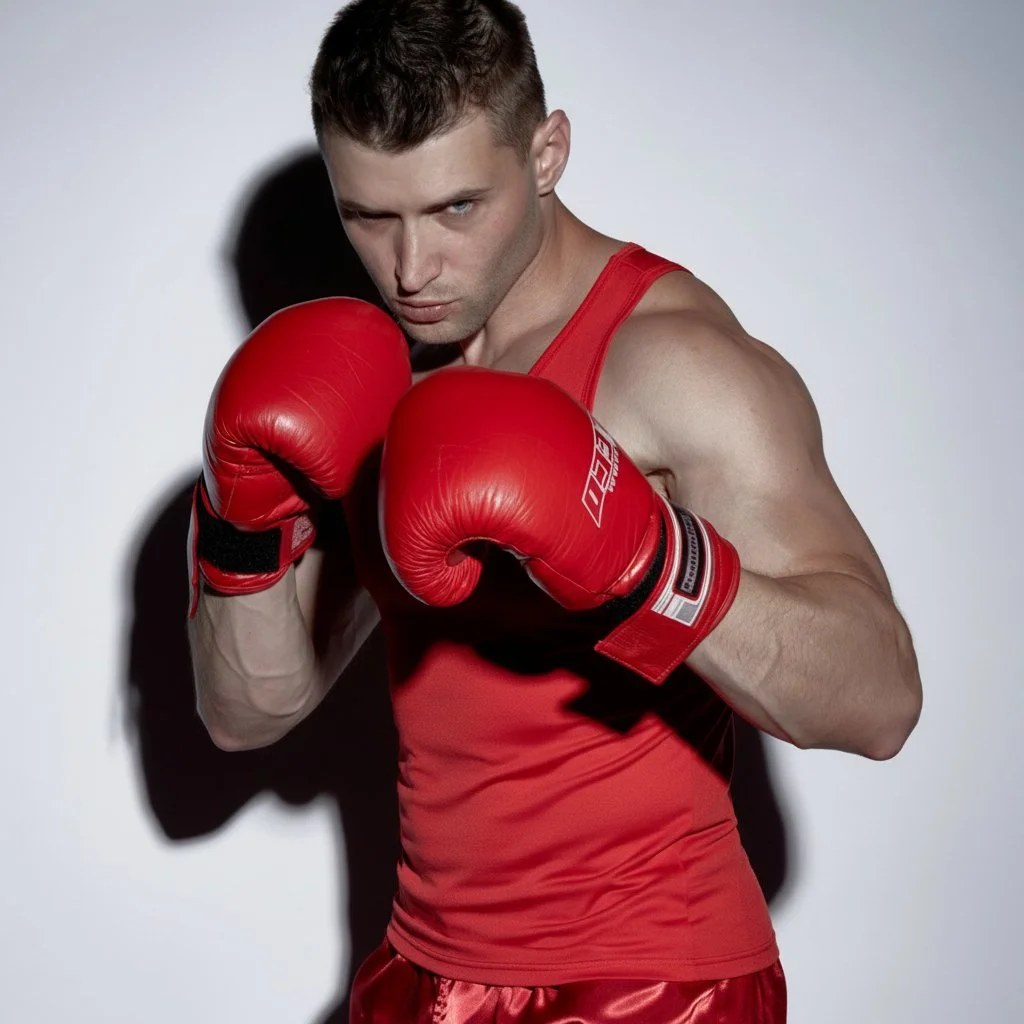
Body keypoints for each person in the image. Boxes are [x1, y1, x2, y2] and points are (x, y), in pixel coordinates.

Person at [187, 1, 923, 1020]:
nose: (412, 271)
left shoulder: (671, 364)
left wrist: (647, 559)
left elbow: (880, 701)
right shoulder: (369, 369)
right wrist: (243, 526)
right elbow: (248, 710)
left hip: (656, 982)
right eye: (369, 216)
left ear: (547, 152)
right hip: (421, 970)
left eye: (454, 209)